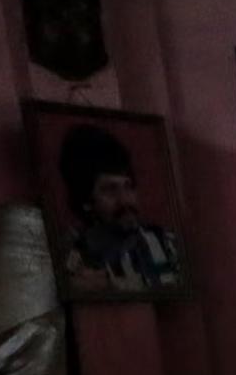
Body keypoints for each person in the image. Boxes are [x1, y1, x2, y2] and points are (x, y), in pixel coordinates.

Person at [55, 123, 181, 295]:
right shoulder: (69, 255)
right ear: (85, 201)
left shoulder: (167, 244)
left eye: (128, 186)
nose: (125, 200)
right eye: (110, 189)